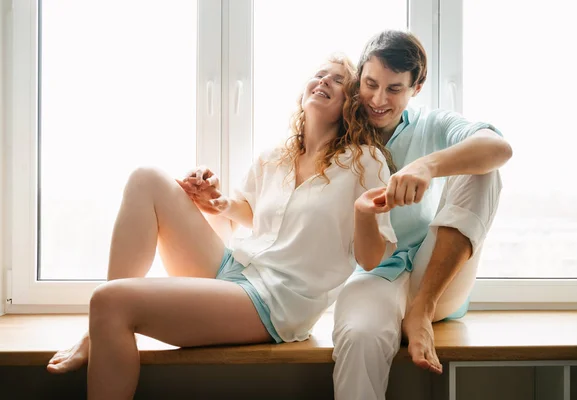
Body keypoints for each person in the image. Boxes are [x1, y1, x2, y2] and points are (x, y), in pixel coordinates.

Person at [46, 54, 398, 400]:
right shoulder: (277, 155)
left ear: (351, 103)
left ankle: (99, 331)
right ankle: (97, 335)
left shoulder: (364, 161)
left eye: (338, 80)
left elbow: (370, 259)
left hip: (274, 301)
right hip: (235, 268)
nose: (324, 81)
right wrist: (214, 200)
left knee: (109, 302)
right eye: (320, 74)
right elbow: (249, 211)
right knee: (146, 179)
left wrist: (363, 214)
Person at [332, 30, 513, 399]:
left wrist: (428, 166)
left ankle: (420, 312)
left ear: (417, 87)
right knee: (360, 335)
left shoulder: (434, 124)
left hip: (437, 277)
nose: (378, 100)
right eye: (370, 84)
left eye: (394, 89)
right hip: (374, 274)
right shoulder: (340, 132)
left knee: (484, 170)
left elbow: (498, 148)